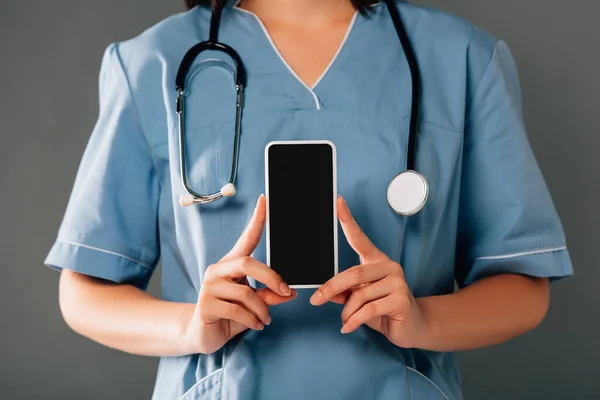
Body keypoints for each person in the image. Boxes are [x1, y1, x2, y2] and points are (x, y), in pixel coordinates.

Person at [44, 0, 573, 399]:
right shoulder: (152, 64)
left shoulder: (462, 58)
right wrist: (190, 327)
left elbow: (523, 283)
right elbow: (85, 290)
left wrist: (423, 320)